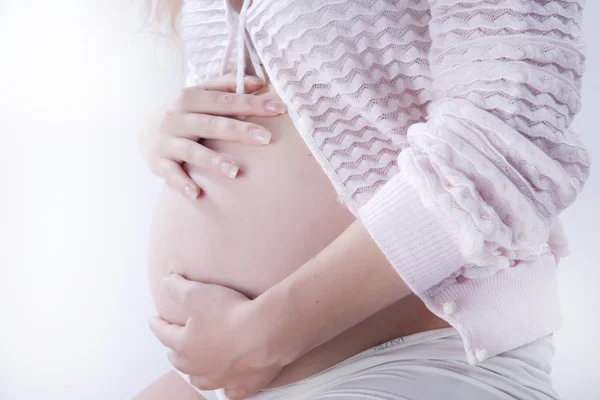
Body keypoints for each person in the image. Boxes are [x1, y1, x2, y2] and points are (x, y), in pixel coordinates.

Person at [135, 0, 591, 399]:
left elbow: (512, 138)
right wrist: (162, 129)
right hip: (230, 373)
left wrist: (266, 332)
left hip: (416, 361)